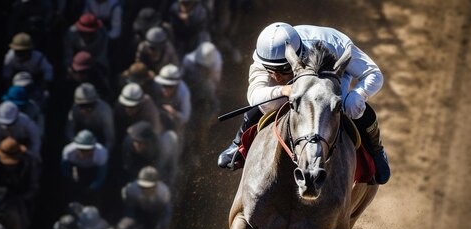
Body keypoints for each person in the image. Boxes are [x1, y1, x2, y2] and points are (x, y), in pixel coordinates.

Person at [217, 22, 391, 184]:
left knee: (351, 105)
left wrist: (358, 94)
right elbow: (255, 96)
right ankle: (238, 144)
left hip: (332, 71)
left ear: (298, 57)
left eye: (284, 69)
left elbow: (374, 74)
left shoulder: (336, 45)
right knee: (268, 102)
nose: (277, 77)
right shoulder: (264, 60)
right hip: (294, 80)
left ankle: (376, 152)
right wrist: (283, 90)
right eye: (272, 71)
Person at [0, 137, 40, 229]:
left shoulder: (29, 163)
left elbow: (33, 187)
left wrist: (17, 198)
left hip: (20, 197)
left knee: (22, 223)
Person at [121, 121, 178, 186]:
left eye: (141, 142)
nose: (137, 145)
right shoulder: (128, 143)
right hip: (135, 166)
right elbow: (128, 165)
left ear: (147, 142)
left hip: (154, 163)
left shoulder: (156, 146)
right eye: (136, 141)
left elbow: (156, 168)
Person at [60, 130, 109, 205]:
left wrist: (91, 188)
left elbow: (100, 176)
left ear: (93, 149)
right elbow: (65, 172)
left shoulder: (101, 153)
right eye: (81, 149)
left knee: (95, 194)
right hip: (77, 168)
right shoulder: (68, 151)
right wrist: (72, 184)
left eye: (87, 150)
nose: (83, 153)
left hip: (93, 169)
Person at [65, 83, 115, 152]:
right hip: (79, 140)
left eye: (90, 105)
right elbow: (69, 131)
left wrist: (103, 153)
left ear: (95, 102)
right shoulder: (74, 109)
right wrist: (78, 148)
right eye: (82, 106)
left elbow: (110, 138)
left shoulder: (105, 111)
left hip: (99, 139)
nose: (86, 109)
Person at [182, 41, 222, 117]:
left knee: (210, 88)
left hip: (206, 82)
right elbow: (183, 78)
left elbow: (216, 80)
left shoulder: (217, 60)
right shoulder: (187, 60)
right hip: (191, 82)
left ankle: (212, 113)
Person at [150, 64, 191, 136]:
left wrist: (173, 112)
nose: (165, 89)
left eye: (170, 86)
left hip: (175, 119)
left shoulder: (184, 93)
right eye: (164, 85)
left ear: (176, 84)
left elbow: (185, 117)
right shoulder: (155, 85)